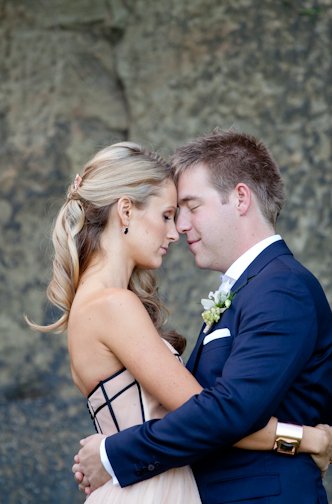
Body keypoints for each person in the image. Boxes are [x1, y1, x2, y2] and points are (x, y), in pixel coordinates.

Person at [72, 132, 332, 503]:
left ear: (240, 198)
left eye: (191, 207)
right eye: (171, 214)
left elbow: (227, 409)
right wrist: (308, 438)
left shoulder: (281, 287)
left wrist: (112, 454)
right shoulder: (250, 288)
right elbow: (208, 408)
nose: (179, 228)